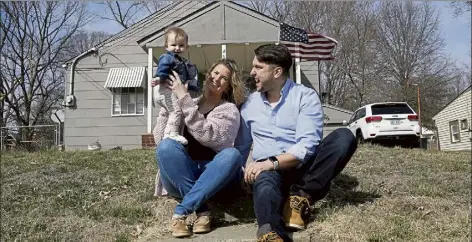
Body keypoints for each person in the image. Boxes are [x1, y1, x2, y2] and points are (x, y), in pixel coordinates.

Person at [235, 44, 358, 242]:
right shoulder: (249, 105)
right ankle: (270, 232)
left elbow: (307, 145)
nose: (252, 72)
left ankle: (300, 198)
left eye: (258, 67)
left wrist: (272, 161)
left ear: (277, 71)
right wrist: (242, 173)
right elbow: (241, 147)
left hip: (304, 169)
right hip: (269, 173)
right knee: (265, 184)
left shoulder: (305, 97)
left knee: (344, 137)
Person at [153, 58, 248, 238]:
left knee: (232, 155)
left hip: (215, 178)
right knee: (166, 147)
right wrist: (169, 106)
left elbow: (208, 135)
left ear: (228, 87)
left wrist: (183, 99)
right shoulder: (188, 101)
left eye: (224, 78)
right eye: (215, 73)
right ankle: (202, 210)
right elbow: (160, 139)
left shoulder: (229, 111)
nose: (217, 78)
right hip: (181, 175)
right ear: (208, 74)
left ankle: (183, 209)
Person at [152, 27, 199, 145]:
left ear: (187, 47)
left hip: (170, 91)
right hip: (165, 89)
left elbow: (190, 77)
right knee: (175, 111)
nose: (177, 48)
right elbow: (162, 68)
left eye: (181, 45)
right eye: (174, 45)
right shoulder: (167, 57)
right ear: (166, 46)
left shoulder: (185, 63)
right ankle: (171, 134)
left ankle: (162, 135)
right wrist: (158, 79)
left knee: (168, 112)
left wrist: (192, 87)